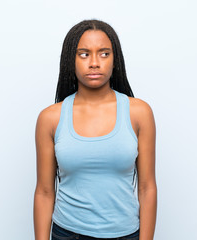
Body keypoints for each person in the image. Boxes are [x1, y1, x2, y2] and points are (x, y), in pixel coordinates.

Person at [34, 19, 157, 240]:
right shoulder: (50, 118)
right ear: (70, 60)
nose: (94, 62)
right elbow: (44, 192)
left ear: (114, 60)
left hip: (126, 234)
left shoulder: (139, 113)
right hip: (68, 233)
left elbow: (147, 188)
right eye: (83, 54)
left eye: (104, 53)